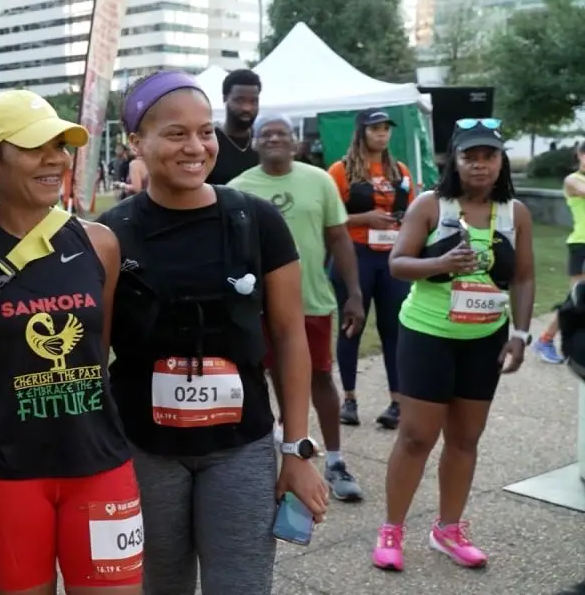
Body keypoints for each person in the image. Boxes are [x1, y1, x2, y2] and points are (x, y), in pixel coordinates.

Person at [96, 71, 328, 595]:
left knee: (241, 585)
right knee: (161, 585)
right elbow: (95, 353)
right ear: (136, 142)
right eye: (176, 133)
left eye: (205, 132)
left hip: (240, 447)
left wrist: (296, 451)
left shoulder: (256, 220)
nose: (196, 147)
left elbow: (291, 338)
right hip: (144, 450)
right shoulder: (111, 233)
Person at [0, 90, 141, 595]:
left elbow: (98, 348)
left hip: (100, 464)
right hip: (8, 476)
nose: (56, 159)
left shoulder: (99, 242)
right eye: (35, 145)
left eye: (62, 146)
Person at [374, 118, 533, 572]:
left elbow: (523, 277)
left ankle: (448, 529)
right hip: (428, 334)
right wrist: (441, 262)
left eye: (489, 156)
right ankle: (392, 529)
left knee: (465, 438)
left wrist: (520, 334)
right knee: (417, 436)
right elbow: (398, 264)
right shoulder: (432, 205)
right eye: (470, 156)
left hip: (485, 338)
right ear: (454, 160)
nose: (479, 165)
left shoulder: (514, 213)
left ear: (501, 163)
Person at [229, 114, 367, 502]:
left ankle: (336, 461)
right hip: (258, 307)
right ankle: (283, 458)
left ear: (296, 142)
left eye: (282, 133)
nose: (274, 138)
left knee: (320, 378)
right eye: (266, 133)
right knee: (267, 378)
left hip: (312, 301)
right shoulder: (238, 189)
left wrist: (354, 293)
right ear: (255, 143)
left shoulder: (319, 181)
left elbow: (339, 239)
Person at [326, 109, 416, 429]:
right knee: (352, 326)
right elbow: (329, 219)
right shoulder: (340, 171)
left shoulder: (400, 170)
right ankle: (349, 400)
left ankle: (397, 401)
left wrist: (405, 219)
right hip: (354, 255)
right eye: (375, 128)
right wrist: (365, 219)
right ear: (361, 132)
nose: (382, 134)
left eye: (386, 129)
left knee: (395, 330)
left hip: (391, 258)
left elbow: (414, 214)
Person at [532, 141, 585, 363]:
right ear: (580, 155)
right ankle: (545, 340)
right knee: (577, 299)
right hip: (581, 244)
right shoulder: (573, 180)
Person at [206, 69, 261, 185]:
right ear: (225, 99)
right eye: (240, 101)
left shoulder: (262, 141)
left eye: (253, 101)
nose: (247, 108)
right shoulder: (209, 141)